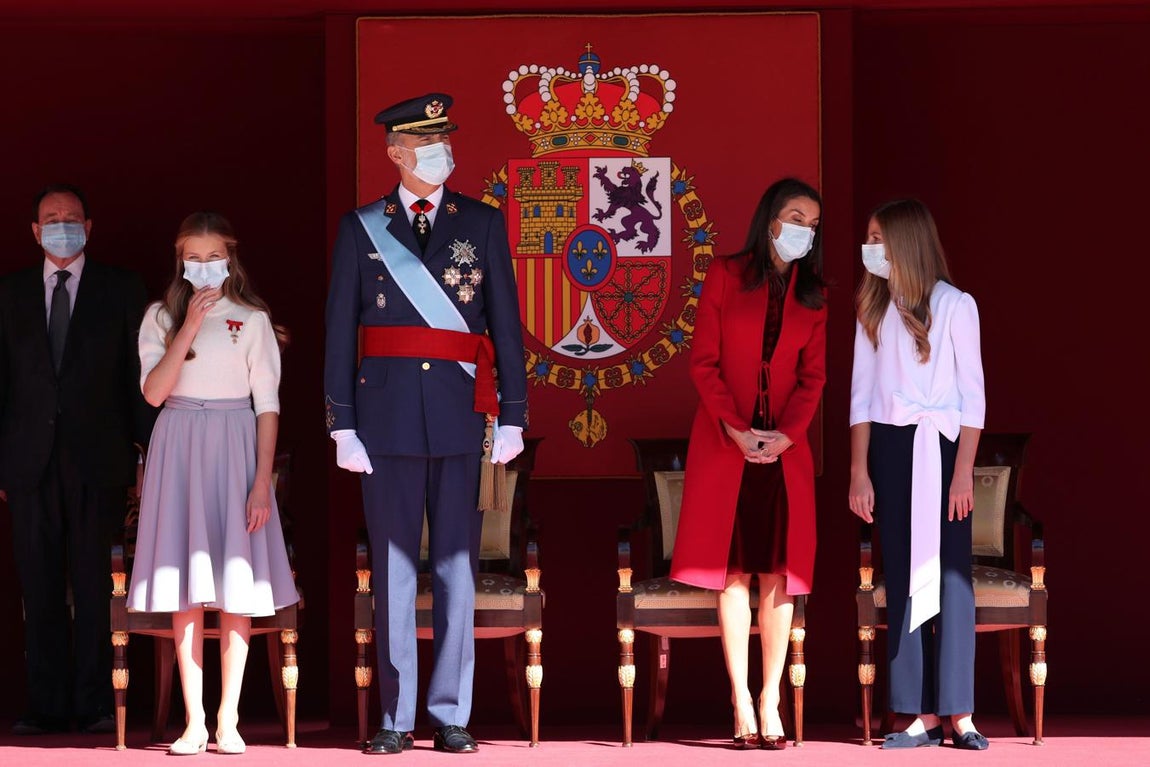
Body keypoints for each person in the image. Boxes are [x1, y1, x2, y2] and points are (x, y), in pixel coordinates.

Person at [324, 92, 528, 755]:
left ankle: (450, 713)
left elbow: (506, 326)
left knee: (456, 567)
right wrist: (341, 424)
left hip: (462, 413)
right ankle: (394, 715)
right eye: (424, 142)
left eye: (444, 140)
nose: (440, 152)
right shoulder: (362, 227)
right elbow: (338, 333)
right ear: (395, 152)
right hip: (382, 419)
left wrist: (515, 416)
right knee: (392, 570)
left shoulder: (483, 222)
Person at [126, 211, 298, 755]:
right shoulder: (159, 316)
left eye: (212, 257)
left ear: (231, 259)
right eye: (192, 258)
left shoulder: (252, 320)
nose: (203, 267)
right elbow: (153, 393)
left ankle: (228, 718)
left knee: (235, 586)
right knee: (188, 585)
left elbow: (267, 404)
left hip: (233, 442)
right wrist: (190, 326)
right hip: (178, 441)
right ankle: (193, 720)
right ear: (180, 261)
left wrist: (261, 481)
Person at [670, 178, 827, 750]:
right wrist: (736, 430)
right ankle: (739, 697)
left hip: (785, 455)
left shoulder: (815, 296)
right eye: (794, 218)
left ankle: (771, 698)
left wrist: (786, 435)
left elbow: (814, 379)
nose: (803, 231)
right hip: (724, 447)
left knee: (780, 575)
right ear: (770, 221)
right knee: (733, 572)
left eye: (812, 224)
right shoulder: (725, 275)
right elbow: (703, 363)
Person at [0, 184, 154, 736]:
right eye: (50, 218)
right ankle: (45, 703)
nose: (61, 225)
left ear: (88, 227)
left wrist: (147, 456)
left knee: (94, 584)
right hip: (27, 462)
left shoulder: (121, 287)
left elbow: (141, 380)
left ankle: (93, 701)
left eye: (71, 217)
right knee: (37, 584)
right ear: (35, 231)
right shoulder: (10, 293)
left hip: (101, 459)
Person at [847, 199, 987, 750]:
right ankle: (913, 713)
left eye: (879, 238)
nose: (871, 249)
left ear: (906, 241)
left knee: (952, 574)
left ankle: (960, 713)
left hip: (945, 449)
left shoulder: (957, 305)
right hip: (891, 447)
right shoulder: (873, 309)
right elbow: (861, 397)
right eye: (868, 238)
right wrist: (860, 471)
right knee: (903, 571)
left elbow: (973, 397)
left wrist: (964, 473)